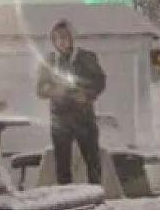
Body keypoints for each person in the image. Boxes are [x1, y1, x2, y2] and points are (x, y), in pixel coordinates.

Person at [35, 19, 107, 186]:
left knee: (92, 160)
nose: (62, 41)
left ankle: (96, 194)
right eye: (58, 38)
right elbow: (39, 88)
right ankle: (67, 198)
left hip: (84, 116)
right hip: (60, 119)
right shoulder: (48, 61)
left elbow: (100, 81)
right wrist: (53, 90)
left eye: (65, 37)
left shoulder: (86, 57)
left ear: (72, 38)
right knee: (62, 164)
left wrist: (87, 95)